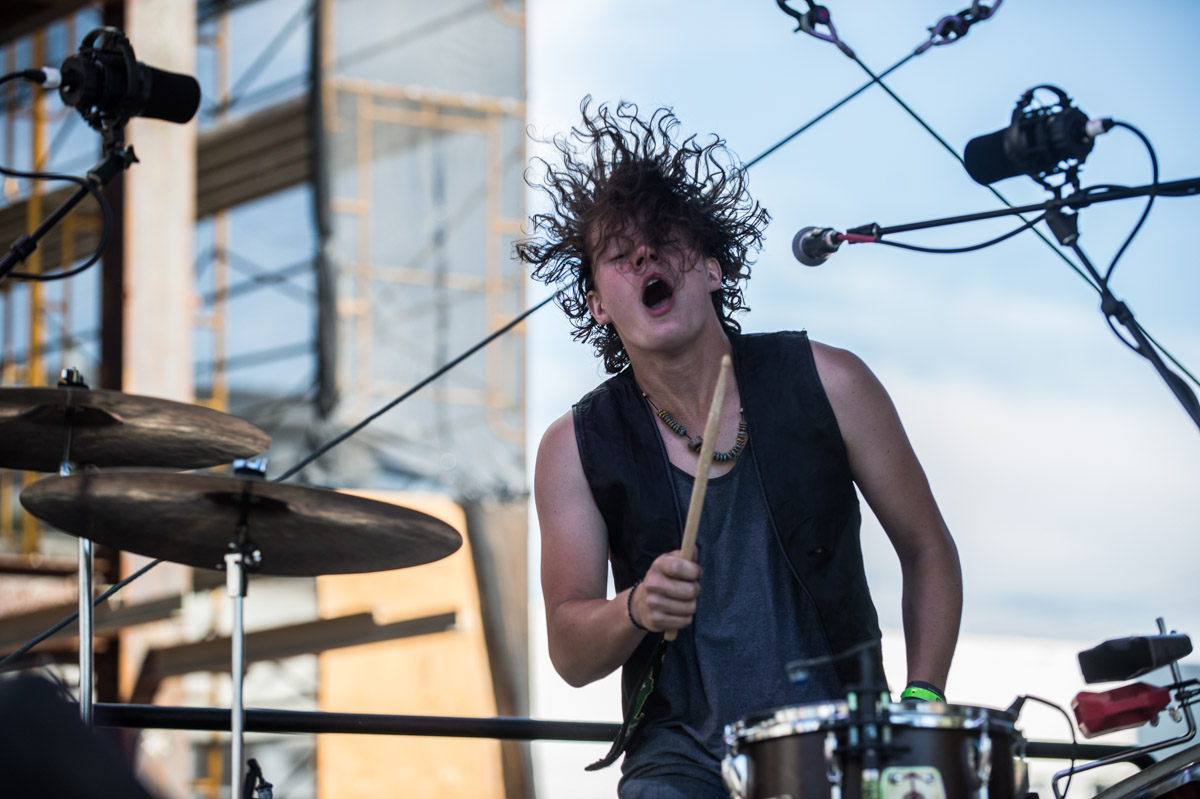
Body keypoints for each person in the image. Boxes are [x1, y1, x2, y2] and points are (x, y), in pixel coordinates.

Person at [517, 99, 963, 799]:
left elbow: (927, 548)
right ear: (598, 303)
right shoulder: (574, 447)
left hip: (842, 746)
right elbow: (570, 654)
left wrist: (922, 701)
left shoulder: (832, 382)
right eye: (619, 254)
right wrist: (635, 607)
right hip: (679, 765)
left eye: (664, 240)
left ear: (712, 270)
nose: (644, 256)